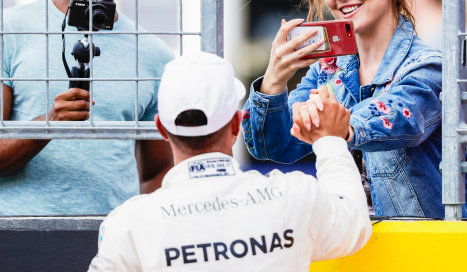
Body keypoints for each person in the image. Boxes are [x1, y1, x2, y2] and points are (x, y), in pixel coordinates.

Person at [242, 0, 467, 218]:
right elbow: (274, 147)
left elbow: (398, 122)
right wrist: (274, 82)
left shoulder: (428, 66)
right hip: (361, 248)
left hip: (435, 252)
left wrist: (334, 126)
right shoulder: (327, 69)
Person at [88, 52, 372, 271]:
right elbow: (355, 223)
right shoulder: (294, 196)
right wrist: (330, 139)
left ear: (162, 129)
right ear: (237, 124)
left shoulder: (128, 225)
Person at [0, 0, 174, 215]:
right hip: (15, 242)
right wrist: (49, 124)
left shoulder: (155, 55)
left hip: (108, 250)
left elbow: (156, 172)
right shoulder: (9, 31)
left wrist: (133, 234)